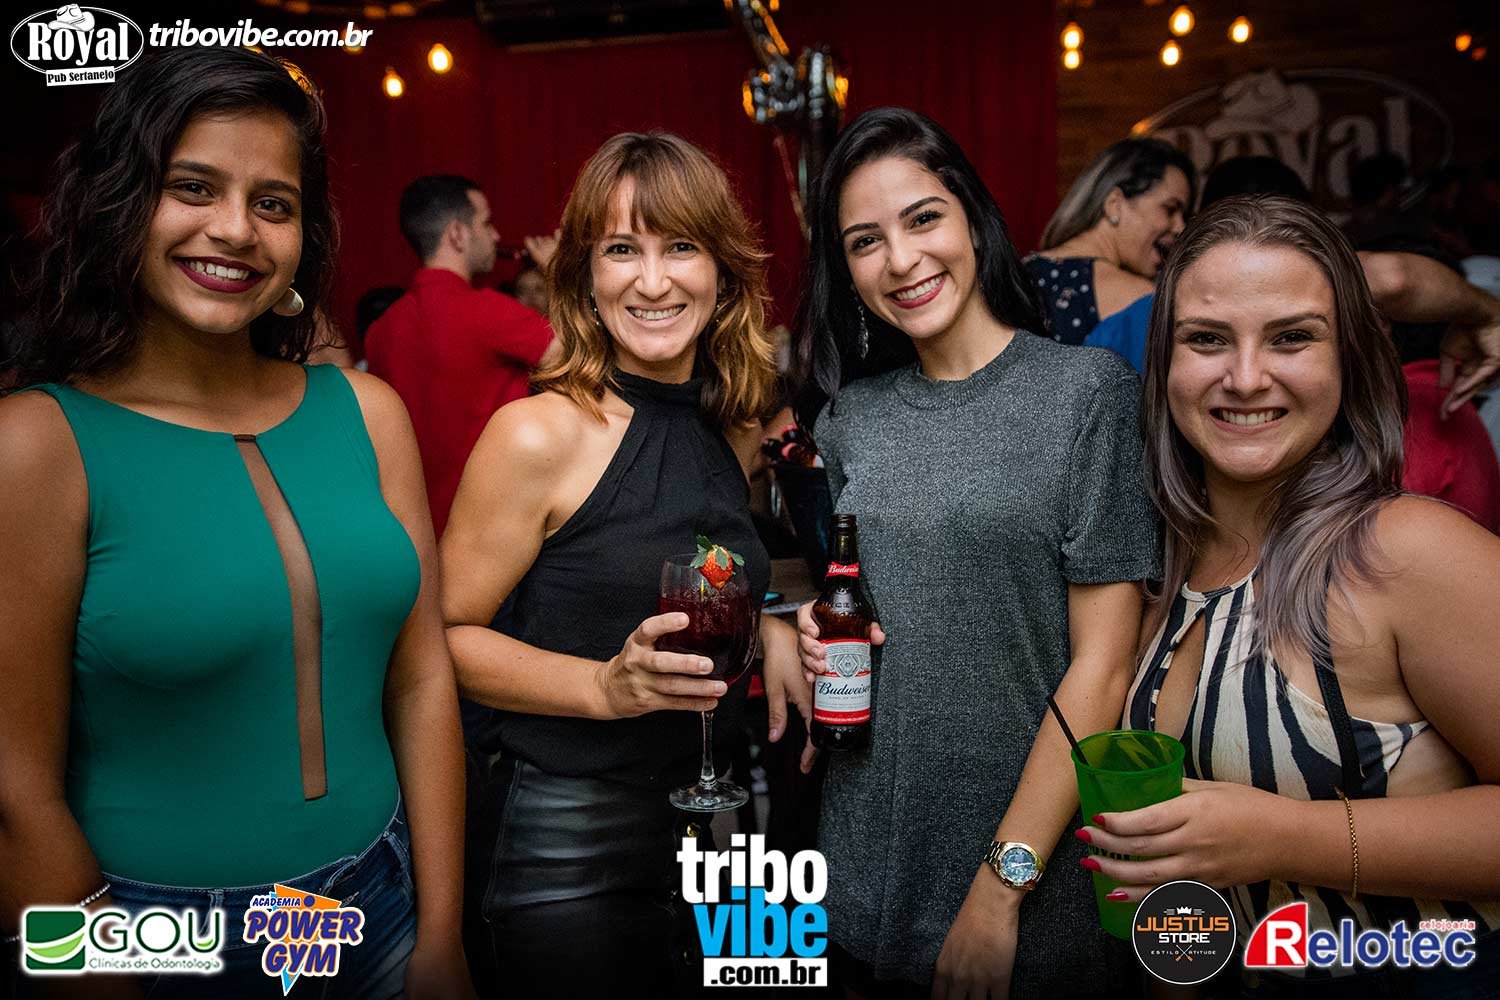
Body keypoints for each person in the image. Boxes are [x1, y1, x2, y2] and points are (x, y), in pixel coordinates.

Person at [0, 47, 471, 998]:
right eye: (192, 187)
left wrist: (442, 937)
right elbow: (16, 796)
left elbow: (421, 681)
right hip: (154, 938)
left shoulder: (366, 414)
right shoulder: (36, 443)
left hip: (378, 902)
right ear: (122, 203)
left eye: (273, 203)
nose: (235, 229)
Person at [792, 107, 1159, 997]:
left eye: (923, 219)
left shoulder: (1087, 396)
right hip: (865, 864)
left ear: (974, 222)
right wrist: (805, 631)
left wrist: (1001, 889)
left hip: (1030, 887)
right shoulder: (850, 419)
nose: (901, 259)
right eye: (865, 241)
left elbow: (1104, 668)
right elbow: (874, 601)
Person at [1093, 196, 1500, 994]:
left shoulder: (1408, 551)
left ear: (1349, 359)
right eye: (1207, 339)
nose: (1246, 378)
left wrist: (1284, 838)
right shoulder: (1160, 566)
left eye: (1291, 338)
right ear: (1164, 366)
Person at [439, 132, 810, 997]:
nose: (651, 281)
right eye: (620, 250)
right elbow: (442, 640)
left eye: (680, 246)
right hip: (568, 840)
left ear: (722, 271)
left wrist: (769, 625)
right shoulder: (537, 435)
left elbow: (701, 560)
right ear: (584, 278)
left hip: (712, 833)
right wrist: (604, 688)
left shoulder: (733, 422)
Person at [365, 174, 560, 536]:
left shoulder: (381, 331)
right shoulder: (487, 312)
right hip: (489, 530)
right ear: (457, 234)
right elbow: (583, 358)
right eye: (486, 223)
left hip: (411, 534)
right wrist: (560, 272)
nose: (496, 236)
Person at [1026, 137, 1196, 347]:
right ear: (1114, 203)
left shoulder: (1017, 273)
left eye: (1183, 215)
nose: (1180, 227)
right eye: (1170, 209)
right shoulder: (1139, 301)